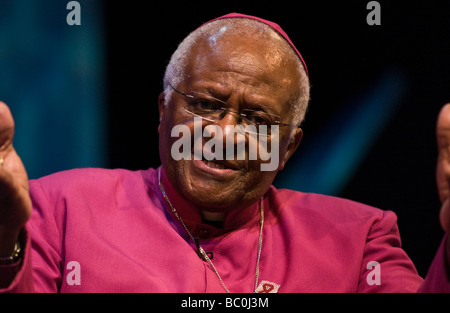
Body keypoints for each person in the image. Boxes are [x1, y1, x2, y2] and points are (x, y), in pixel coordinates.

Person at [0, 13, 449, 293]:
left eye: (256, 118)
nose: (224, 132)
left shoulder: (358, 238)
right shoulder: (62, 208)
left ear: (288, 146)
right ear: (164, 109)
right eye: (205, 105)